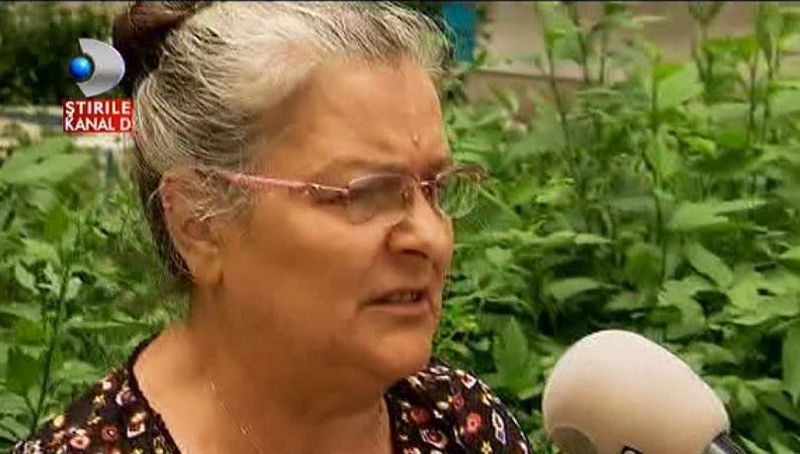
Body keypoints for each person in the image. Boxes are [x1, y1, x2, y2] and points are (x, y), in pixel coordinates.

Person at [13, 2, 533, 453]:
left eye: (435, 189)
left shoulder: (459, 422)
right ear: (199, 224)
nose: (429, 238)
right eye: (366, 193)